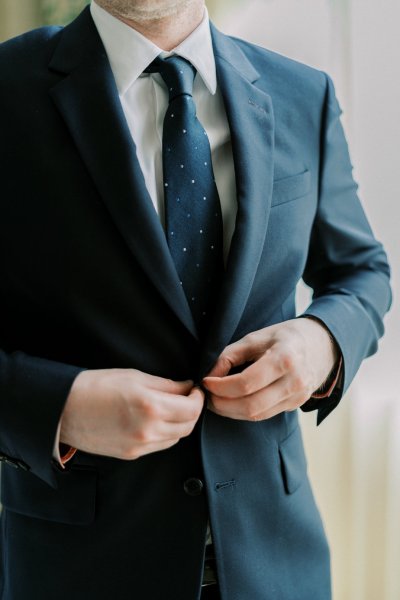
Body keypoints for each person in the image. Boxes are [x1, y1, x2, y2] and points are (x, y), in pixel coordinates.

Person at [0, 1, 391, 599]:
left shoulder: (301, 93)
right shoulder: (9, 92)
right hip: (77, 571)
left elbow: (362, 273)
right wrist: (61, 407)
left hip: (277, 565)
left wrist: (322, 343)